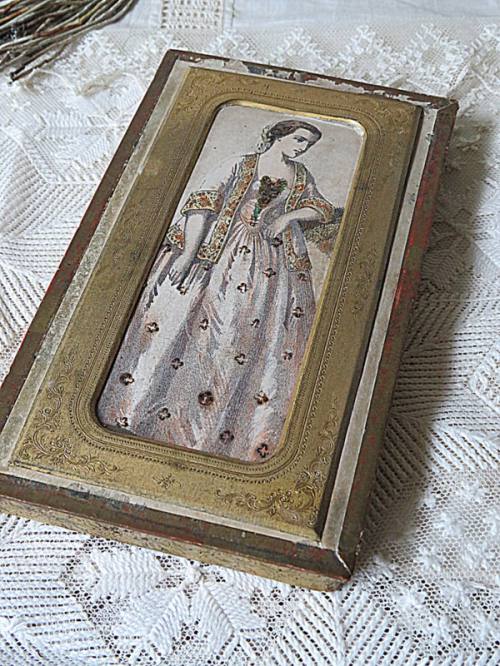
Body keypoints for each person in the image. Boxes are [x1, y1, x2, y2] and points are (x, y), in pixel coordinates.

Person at [97, 118, 343, 462]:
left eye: (308, 144)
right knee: (198, 330)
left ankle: (217, 436)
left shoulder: (300, 175)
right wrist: (189, 254)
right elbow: (201, 206)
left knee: (244, 337)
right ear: (279, 135)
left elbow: (321, 208)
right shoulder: (239, 164)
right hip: (221, 254)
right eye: (299, 139)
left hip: (267, 264)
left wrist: (287, 218)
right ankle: (149, 419)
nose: (302, 148)